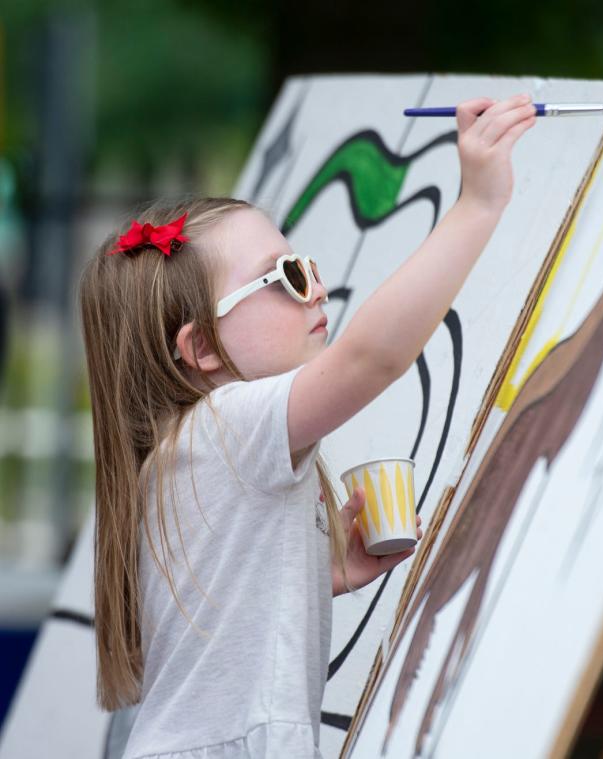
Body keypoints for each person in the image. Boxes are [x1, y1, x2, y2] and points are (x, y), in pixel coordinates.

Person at [76, 93, 537, 759]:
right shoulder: (229, 423)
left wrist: (320, 575)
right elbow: (372, 357)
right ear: (202, 347)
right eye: (285, 277)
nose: (315, 287)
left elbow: (213, 610)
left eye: (307, 266)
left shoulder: (188, 450)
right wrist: (477, 205)